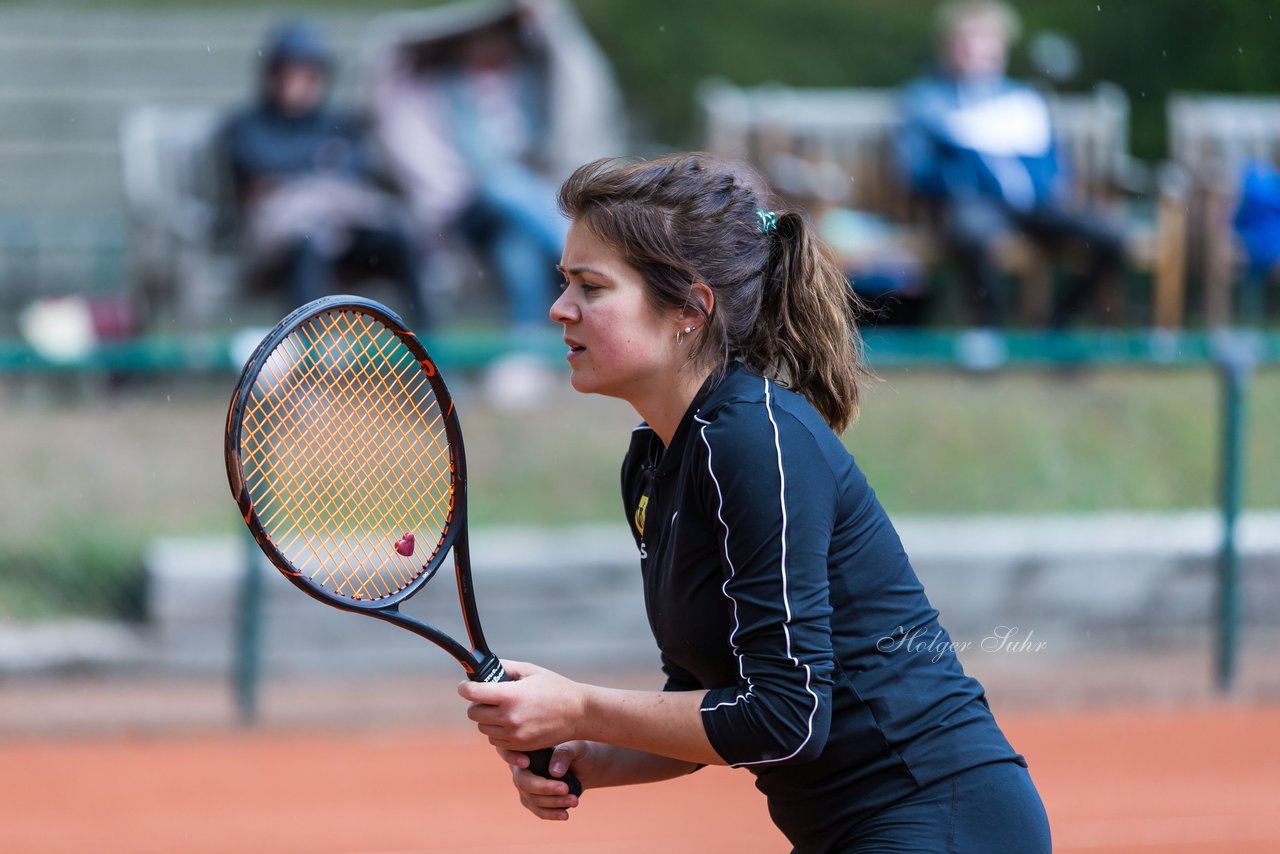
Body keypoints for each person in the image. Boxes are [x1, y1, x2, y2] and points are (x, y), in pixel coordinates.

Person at [456, 153, 1052, 852]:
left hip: (942, 814)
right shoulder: (656, 460)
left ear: (689, 309)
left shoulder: (752, 439)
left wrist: (580, 705)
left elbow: (785, 717)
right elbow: (712, 695)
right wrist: (590, 752)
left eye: (591, 286)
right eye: (565, 283)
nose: (561, 309)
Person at [895, 0, 1125, 329]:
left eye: (988, 43)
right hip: (975, 203)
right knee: (973, 232)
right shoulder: (927, 99)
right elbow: (914, 169)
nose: (978, 53)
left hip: (1037, 205)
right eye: (969, 43)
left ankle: (1059, 324)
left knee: (1110, 235)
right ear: (949, 48)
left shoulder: (1024, 98)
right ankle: (990, 332)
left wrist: (1056, 186)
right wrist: (963, 178)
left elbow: (1052, 160)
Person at [222, 20, 427, 325]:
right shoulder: (247, 126)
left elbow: (358, 174)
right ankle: (313, 359)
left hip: (344, 238)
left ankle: (429, 354)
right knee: (311, 240)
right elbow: (258, 175)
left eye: (309, 73)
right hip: (279, 250)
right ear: (273, 75)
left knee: (397, 239)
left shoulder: (339, 124)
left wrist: (309, 178)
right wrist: (318, 175)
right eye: (291, 72)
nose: (301, 82)